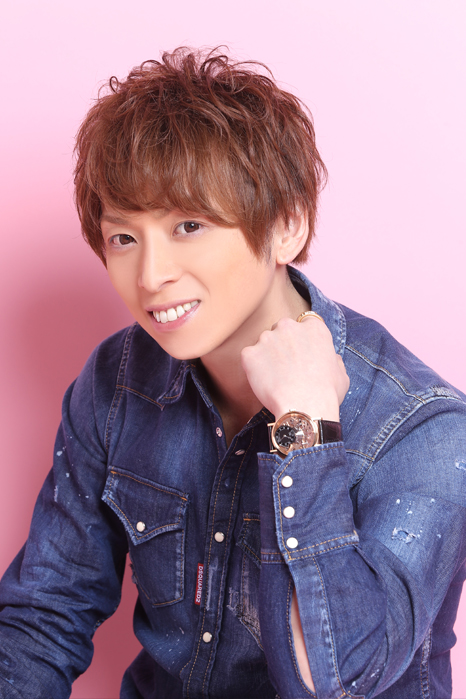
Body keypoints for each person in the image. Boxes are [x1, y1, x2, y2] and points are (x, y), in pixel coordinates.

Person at [0, 46, 465, 699]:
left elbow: (340, 680)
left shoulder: (423, 427)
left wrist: (306, 427)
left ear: (287, 224)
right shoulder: (117, 379)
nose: (151, 275)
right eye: (124, 237)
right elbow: (45, 616)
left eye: (189, 225)